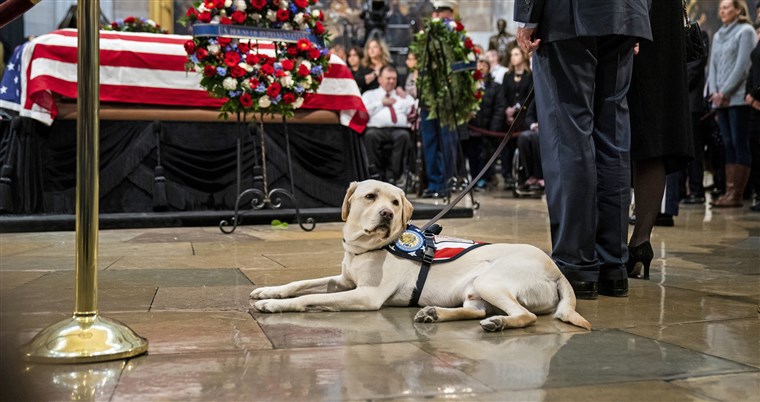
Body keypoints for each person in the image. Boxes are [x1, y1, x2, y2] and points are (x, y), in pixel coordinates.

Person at [514, 0, 652, 299]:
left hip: (568, 16)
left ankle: (576, 264)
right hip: (626, 15)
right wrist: (636, 19)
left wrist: (527, 16)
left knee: (569, 137)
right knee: (613, 140)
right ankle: (612, 266)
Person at [627, 0, 695, 279]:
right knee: (654, 138)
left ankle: (613, 248)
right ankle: (641, 242)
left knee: (620, 136)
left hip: (636, 29)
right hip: (664, 34)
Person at [708, 0, 755, 208]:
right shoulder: (718, 35)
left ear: (738, 9)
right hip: (721, 100)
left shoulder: (746, 31)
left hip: (737, 99)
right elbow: (713, 67)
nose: (723, 11)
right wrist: (714, 93)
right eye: (721, 8)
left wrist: (724, 92)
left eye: (727, 7)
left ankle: (737, 194)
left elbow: (743, 66)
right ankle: (728, 191)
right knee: (727, 144)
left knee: (739, 142)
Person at [417, 0, 460, 199]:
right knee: (430, 142)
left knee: (447, 142)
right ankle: (434, 183)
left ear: (450, 12)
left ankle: (446, 182)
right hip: (428, 96)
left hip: (447, 97)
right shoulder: (425, 36)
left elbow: (463, 65)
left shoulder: (457, 35)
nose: (439, 15)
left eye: (442, 11)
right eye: (436, 11)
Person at [361, 66, 416, 185]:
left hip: (399, 130)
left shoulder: (402, 96)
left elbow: (413, 111)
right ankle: (376, 174)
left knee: (404, 136)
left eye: (394, 79)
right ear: (380, 79)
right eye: (388, 78)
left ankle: (393, 176)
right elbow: (363, 112)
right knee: (370, 135)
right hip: (376, 129)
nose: (391, 81)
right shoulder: (369, 95)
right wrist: (381, 103)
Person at [463, 56, 506, 190]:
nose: (481, 68)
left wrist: (493, 129)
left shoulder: (495, 87)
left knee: (486, 155)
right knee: (473, 155)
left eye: (484, 65)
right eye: (479, 65)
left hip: (487, 129)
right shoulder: (469, 86)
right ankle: (474, 180)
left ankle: (485, 179)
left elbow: (499, 108)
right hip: (472, 128)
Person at [501, 46, 532, 191]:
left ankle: (522, 175)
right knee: (506, 146)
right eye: (512, 54)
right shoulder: (507, 76)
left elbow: (529, 96)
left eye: (516, 54)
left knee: (521, 144)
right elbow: (503, 95)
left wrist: (518, 108)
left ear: (523, 56)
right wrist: (507, 109)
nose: (513, 57)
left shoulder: (529, 75)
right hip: (508, 117)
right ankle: (507, 175)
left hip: (523, 116)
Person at [746, 21, 760, 211]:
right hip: (754, 104)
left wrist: (756, 94)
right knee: (755, 151)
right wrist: (749, 95)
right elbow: (752, 71)